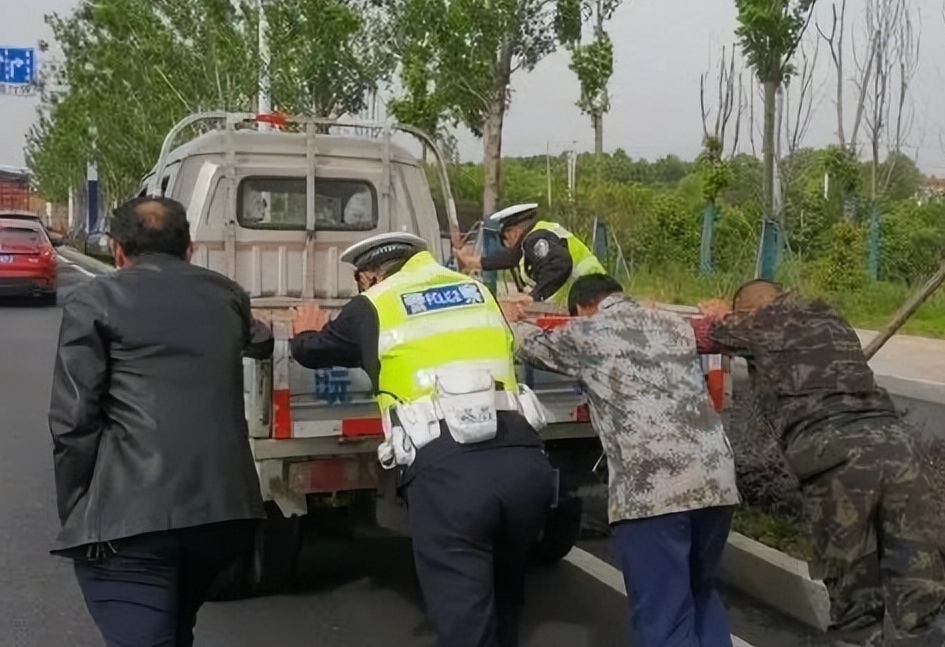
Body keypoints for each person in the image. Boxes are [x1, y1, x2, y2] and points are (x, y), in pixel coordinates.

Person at [288, 232, 554, 647]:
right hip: (525, 462)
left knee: (465, 616)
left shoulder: (374, 304)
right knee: (504, 599)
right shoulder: (475, 290)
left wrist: (304, 332)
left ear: (368, 276)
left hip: (450, 474)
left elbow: (316, 351)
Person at [694, 280, 945, 647]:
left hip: (838, 462)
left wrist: (721, 316)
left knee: (855, 608)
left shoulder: (763, 322)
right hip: (896, 448)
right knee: (925, 594)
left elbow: (703, 335)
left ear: (750, 310)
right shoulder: (829, 316)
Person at [49, 196, 274, 647]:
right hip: (225, 514)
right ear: (189, 247)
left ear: (116, 250)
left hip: (133, 521)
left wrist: (78, 508)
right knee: (175, 627)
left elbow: (73, 420)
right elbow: (261, 340)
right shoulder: (227, 294)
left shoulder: (94, 299)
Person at [506, 274, 740, 647]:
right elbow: (718, 334)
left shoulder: (585, 332)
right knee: (700, 594)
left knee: (664, 615)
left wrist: (509, 316)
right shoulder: (672, 323)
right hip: (717, 481)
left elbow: (524, 345)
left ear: (582, 307)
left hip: (654, 491)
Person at [454, 202, 605, 306]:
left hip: (593, 298)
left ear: (512, 233)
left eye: (503, 239)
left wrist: (533, 296)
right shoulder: (536, 237)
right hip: (593, 297)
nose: (505, 245)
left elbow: (559, 264)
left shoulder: (535, 239)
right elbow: (510, 258)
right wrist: (471, 262)